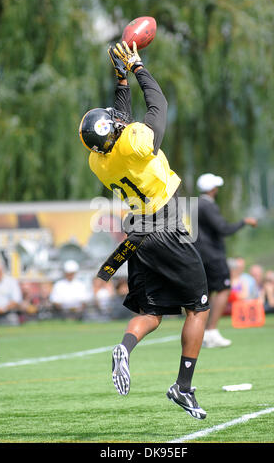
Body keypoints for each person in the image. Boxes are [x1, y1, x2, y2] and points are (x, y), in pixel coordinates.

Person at [78, 41, 210, 419]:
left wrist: (119, 79)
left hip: (137, 233)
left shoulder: (98, 162)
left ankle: (125, 346)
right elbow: (159, 106)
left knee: (152, 313)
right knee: (198, 307)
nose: (119, 120)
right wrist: (138, 68)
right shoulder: (136, 143)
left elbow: (117, 122)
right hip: (165, 225)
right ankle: (183, 387)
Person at [194, 173, 257, 348]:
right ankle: (211, 331)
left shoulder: (195, 205)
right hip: (212, 255)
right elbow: (223, 229)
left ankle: (204, 332)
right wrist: (244, 222)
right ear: (212, 189)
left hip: (199, 255)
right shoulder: (207, 205)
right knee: (223, 288)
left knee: (206, 293)